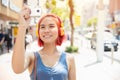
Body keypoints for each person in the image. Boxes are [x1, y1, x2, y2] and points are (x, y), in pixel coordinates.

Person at [12, 5, 76, 80]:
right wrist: (22, 27)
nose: (46, 30)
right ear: (38, 32)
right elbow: (17, 69)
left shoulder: (69, 59)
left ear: (59, 31)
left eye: (51, 26)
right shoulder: (32, 57)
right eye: (42, 27)